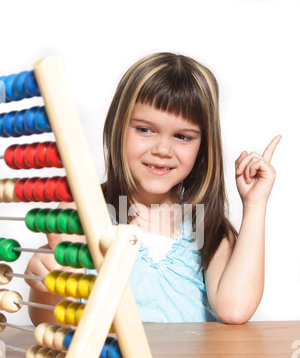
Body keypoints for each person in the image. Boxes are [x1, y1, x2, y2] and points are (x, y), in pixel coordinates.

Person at [25, 52, 281, 325]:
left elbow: (234, 309)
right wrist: (48, 283)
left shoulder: (207, 225)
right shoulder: (81, 216)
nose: (162, 150)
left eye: (182, 136)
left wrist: (254, 205)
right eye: (145, 130)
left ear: (202, 147)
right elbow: (52, 323)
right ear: (118, 128)